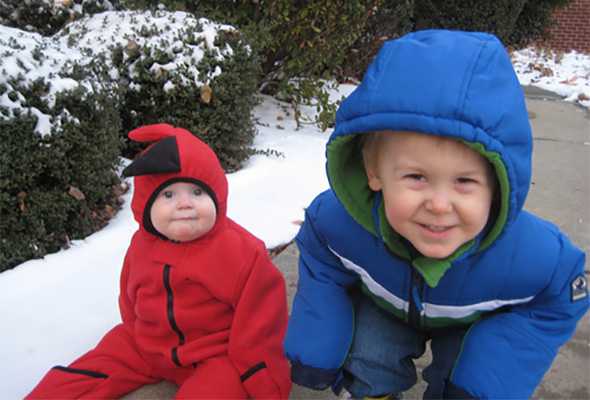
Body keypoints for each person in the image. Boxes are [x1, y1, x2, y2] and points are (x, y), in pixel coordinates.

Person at [284, 30, 589, 399]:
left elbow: (563, 296)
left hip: (472, 322)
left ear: (499, 185)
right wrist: (319, 338)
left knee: (463, 374)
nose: (440, 205)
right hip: (387, 307)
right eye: (416, 177)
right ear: (374, 172)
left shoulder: (530, 254)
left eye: (464, 181)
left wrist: (496, 365)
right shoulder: (340, 223)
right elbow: (319, 250)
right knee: (369, 353)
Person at [28, 123, 292, 399]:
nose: (185, 204)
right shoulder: (141, 245)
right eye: (168, 194)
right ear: (146, 204)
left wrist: (265, 383)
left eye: (198, 192)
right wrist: (136, 334)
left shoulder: (242, 252)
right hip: (147, 345)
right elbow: (130, 297)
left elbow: (261, 324)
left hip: (214, 355)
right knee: (76, 380)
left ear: (218, 195)